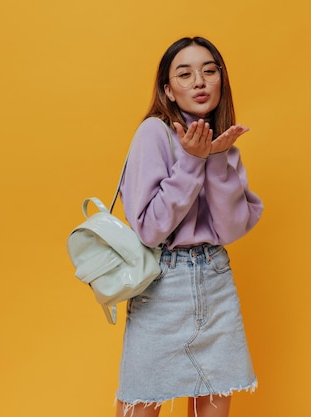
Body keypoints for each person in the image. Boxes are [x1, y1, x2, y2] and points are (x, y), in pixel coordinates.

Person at [115, 36, 264, 417]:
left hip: (215, 282)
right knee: (141, 403)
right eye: (185, 74)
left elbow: (230, 229)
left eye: (209, 71)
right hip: (162, 286)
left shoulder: (223, 144)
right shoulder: (154, 133)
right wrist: (192, 162)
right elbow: (150, 229)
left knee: (214, 405)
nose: (199, 81)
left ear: (221, 80)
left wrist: (214, 159)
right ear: (168, 90)